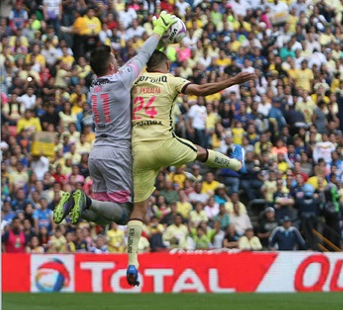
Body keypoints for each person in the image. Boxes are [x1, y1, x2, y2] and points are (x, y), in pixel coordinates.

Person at [125, 49, 255, 286]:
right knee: (199, 151)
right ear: (165, 63)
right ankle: (236, 163)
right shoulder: (171, 80)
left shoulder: (135, 80)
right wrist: (234, 80)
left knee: (139, 210)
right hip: (164, 143)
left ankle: (132, 262)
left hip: (138, 151)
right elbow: (202, 91)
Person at [53, 12, 179, 226]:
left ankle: (76, 204)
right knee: (126, 214)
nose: (118, 63)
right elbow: (142, 55)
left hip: (97, 153)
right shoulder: (119, 81)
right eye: (115, 60)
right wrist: (158, 30)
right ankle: (83, 200)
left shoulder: (94, 86)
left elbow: (129, 63)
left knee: (104, 218)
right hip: (117, 153)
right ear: (111, 66)